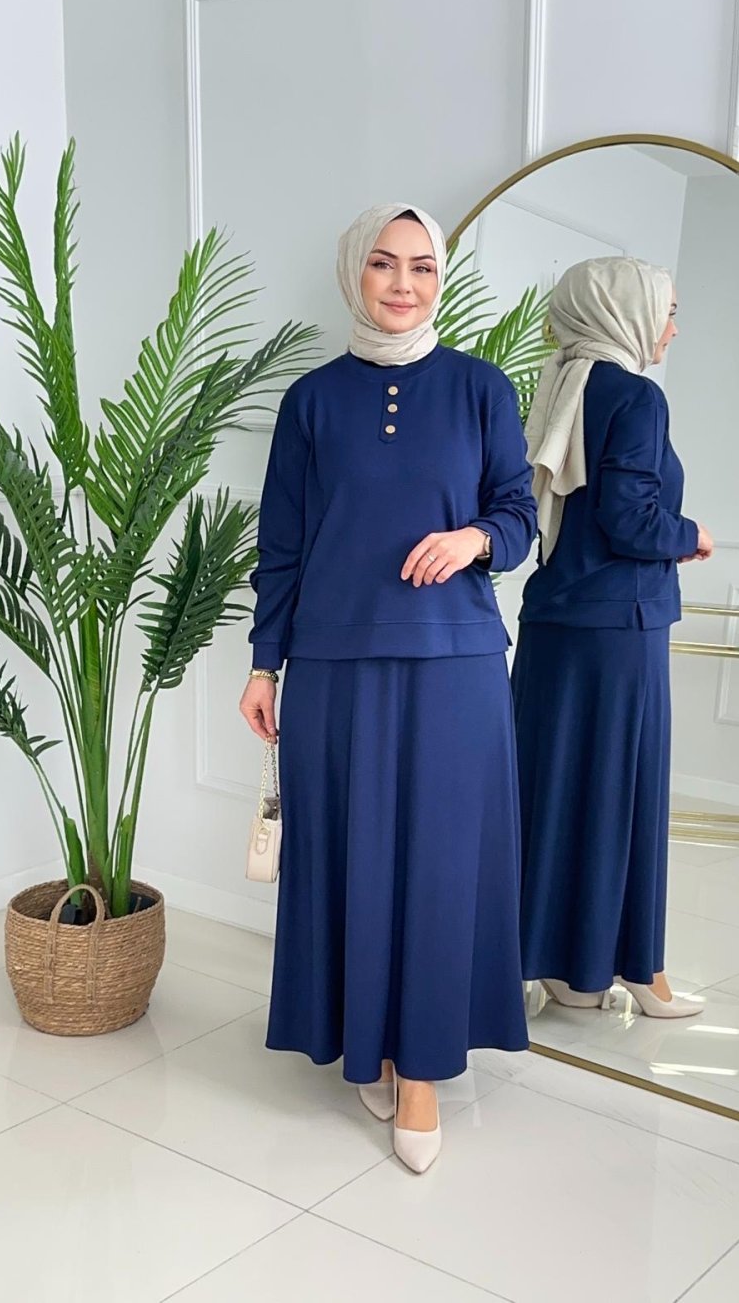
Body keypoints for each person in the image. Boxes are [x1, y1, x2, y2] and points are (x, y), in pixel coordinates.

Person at [239, 203, 537, 1173]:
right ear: (354, 274)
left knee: (441, 865)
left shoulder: (482, 389)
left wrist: (474, 538)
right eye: (382, 263)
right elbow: (282, 546)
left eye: (421, 266)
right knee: (353, 857)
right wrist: (263, 663)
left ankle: (422, 1073)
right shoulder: (311, 401)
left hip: (455, 664)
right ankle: (368, 1041)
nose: (403, 283)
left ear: (439, 279)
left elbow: (520, 514)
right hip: (333, 666)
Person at [513, 256, 713, 1021]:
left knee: (548, 794)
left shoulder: (560, 384)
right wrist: (692, 535)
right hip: (619, 635)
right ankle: (634, 970)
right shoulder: (635, 396)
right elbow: (631, 521)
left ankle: (549, 966)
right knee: (619, 797)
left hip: (552, 627)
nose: (671, 328)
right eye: (668, 310)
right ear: (624, 309)